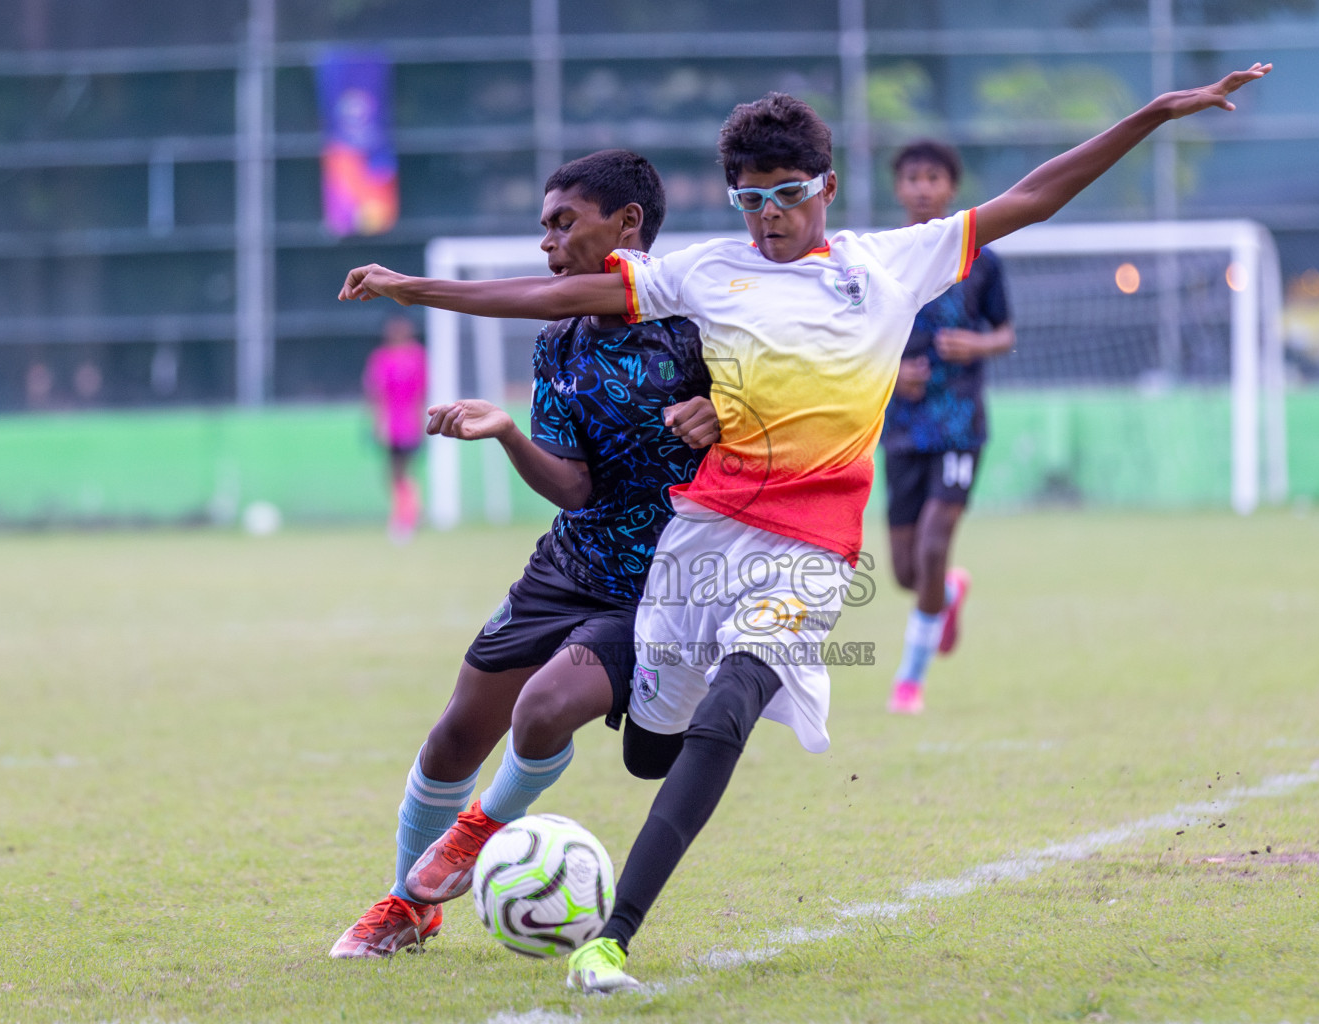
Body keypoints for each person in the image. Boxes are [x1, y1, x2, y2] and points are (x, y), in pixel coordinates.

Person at [337, 63, 1271, 990]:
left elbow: (1032, 196)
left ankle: (611, 937)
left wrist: (1152, 112)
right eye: (751, 199)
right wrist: (416, 292)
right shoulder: (704, 271)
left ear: (825, 187)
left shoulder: (888, 263)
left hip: (811, 550)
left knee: (736, 700)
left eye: (787, 195)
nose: (769, 215)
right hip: (698, 543)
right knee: (648, 748)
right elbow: (554, 299)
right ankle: (469, 859)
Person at [330, 149, 719, 958]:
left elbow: (778, 419)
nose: (547, 243)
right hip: (567, 568)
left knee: (542, 709)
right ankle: (411, 911)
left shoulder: (701, 329)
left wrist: (726, 421)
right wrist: (507, 432)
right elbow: (574, 489)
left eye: (562, 223)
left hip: (658, 590)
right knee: (453, 737)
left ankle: (473, 838)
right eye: (543, 227)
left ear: (628, 224)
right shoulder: (560, 342)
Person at [881, 140, 1015, 715]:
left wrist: (976, 342)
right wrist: (891, 373)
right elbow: (858, 339)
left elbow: (1006, 332)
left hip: (959, 424)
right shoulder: (881, 259)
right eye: (912, 178)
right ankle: (948, 595)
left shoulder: (981, 258)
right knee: (909, 573)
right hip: (901, 427)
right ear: (898, 188)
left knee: (935, 546)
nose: (922, 187)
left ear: (951, 187)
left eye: (933, 177)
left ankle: (910, 680)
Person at [362, 316, 427, 542]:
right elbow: (376, 393)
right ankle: (408, 515)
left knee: (401, 472)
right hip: (392, 425)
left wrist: (419, 421)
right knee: (394, 474)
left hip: (409, 424)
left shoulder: (416, 356)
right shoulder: (381, 358)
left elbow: (421, 391)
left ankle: (406, 518)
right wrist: (378, 423)